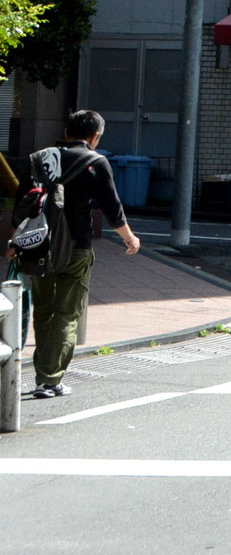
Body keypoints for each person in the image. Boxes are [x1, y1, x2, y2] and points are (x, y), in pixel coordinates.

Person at [7, 110, 142, 399]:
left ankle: (43, 373)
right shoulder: (96, 162)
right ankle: (49, 380)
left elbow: (21, 205)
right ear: (95, 136)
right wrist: (129, 239)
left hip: (39, 247)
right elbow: (112, 209)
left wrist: (16, 243)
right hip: (77, 246)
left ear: (66, 131)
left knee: (43, 308)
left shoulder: (38, 158)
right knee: (67, 313)